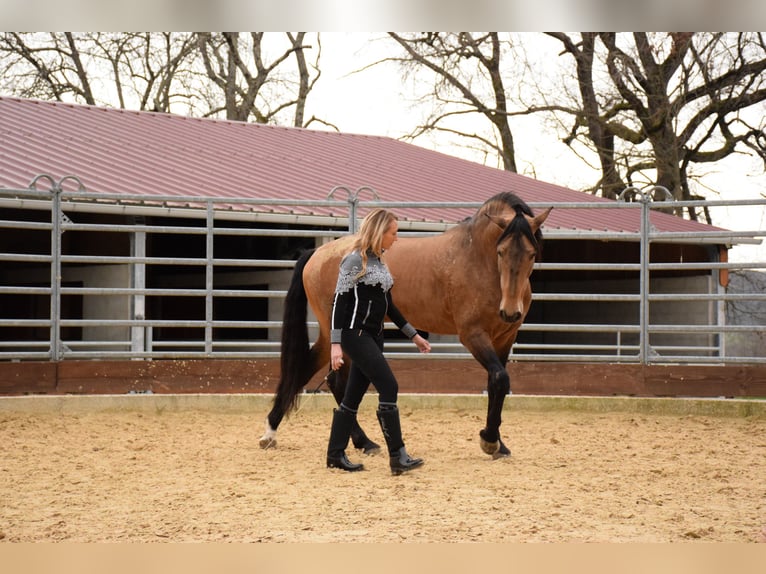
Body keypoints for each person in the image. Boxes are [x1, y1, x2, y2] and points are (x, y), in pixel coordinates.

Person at [326, 208, 431, 475]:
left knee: (352, 396)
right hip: (355, 335)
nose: (396, 238)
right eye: (393, 233)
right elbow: (339, 302)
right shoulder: (353, 261)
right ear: (379, 232)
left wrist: (414, 335)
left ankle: (335, 454)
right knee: (389, 385)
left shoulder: (380, 263)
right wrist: (335, 345)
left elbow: (389, 306)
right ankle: (398, 456)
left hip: (373, 337)